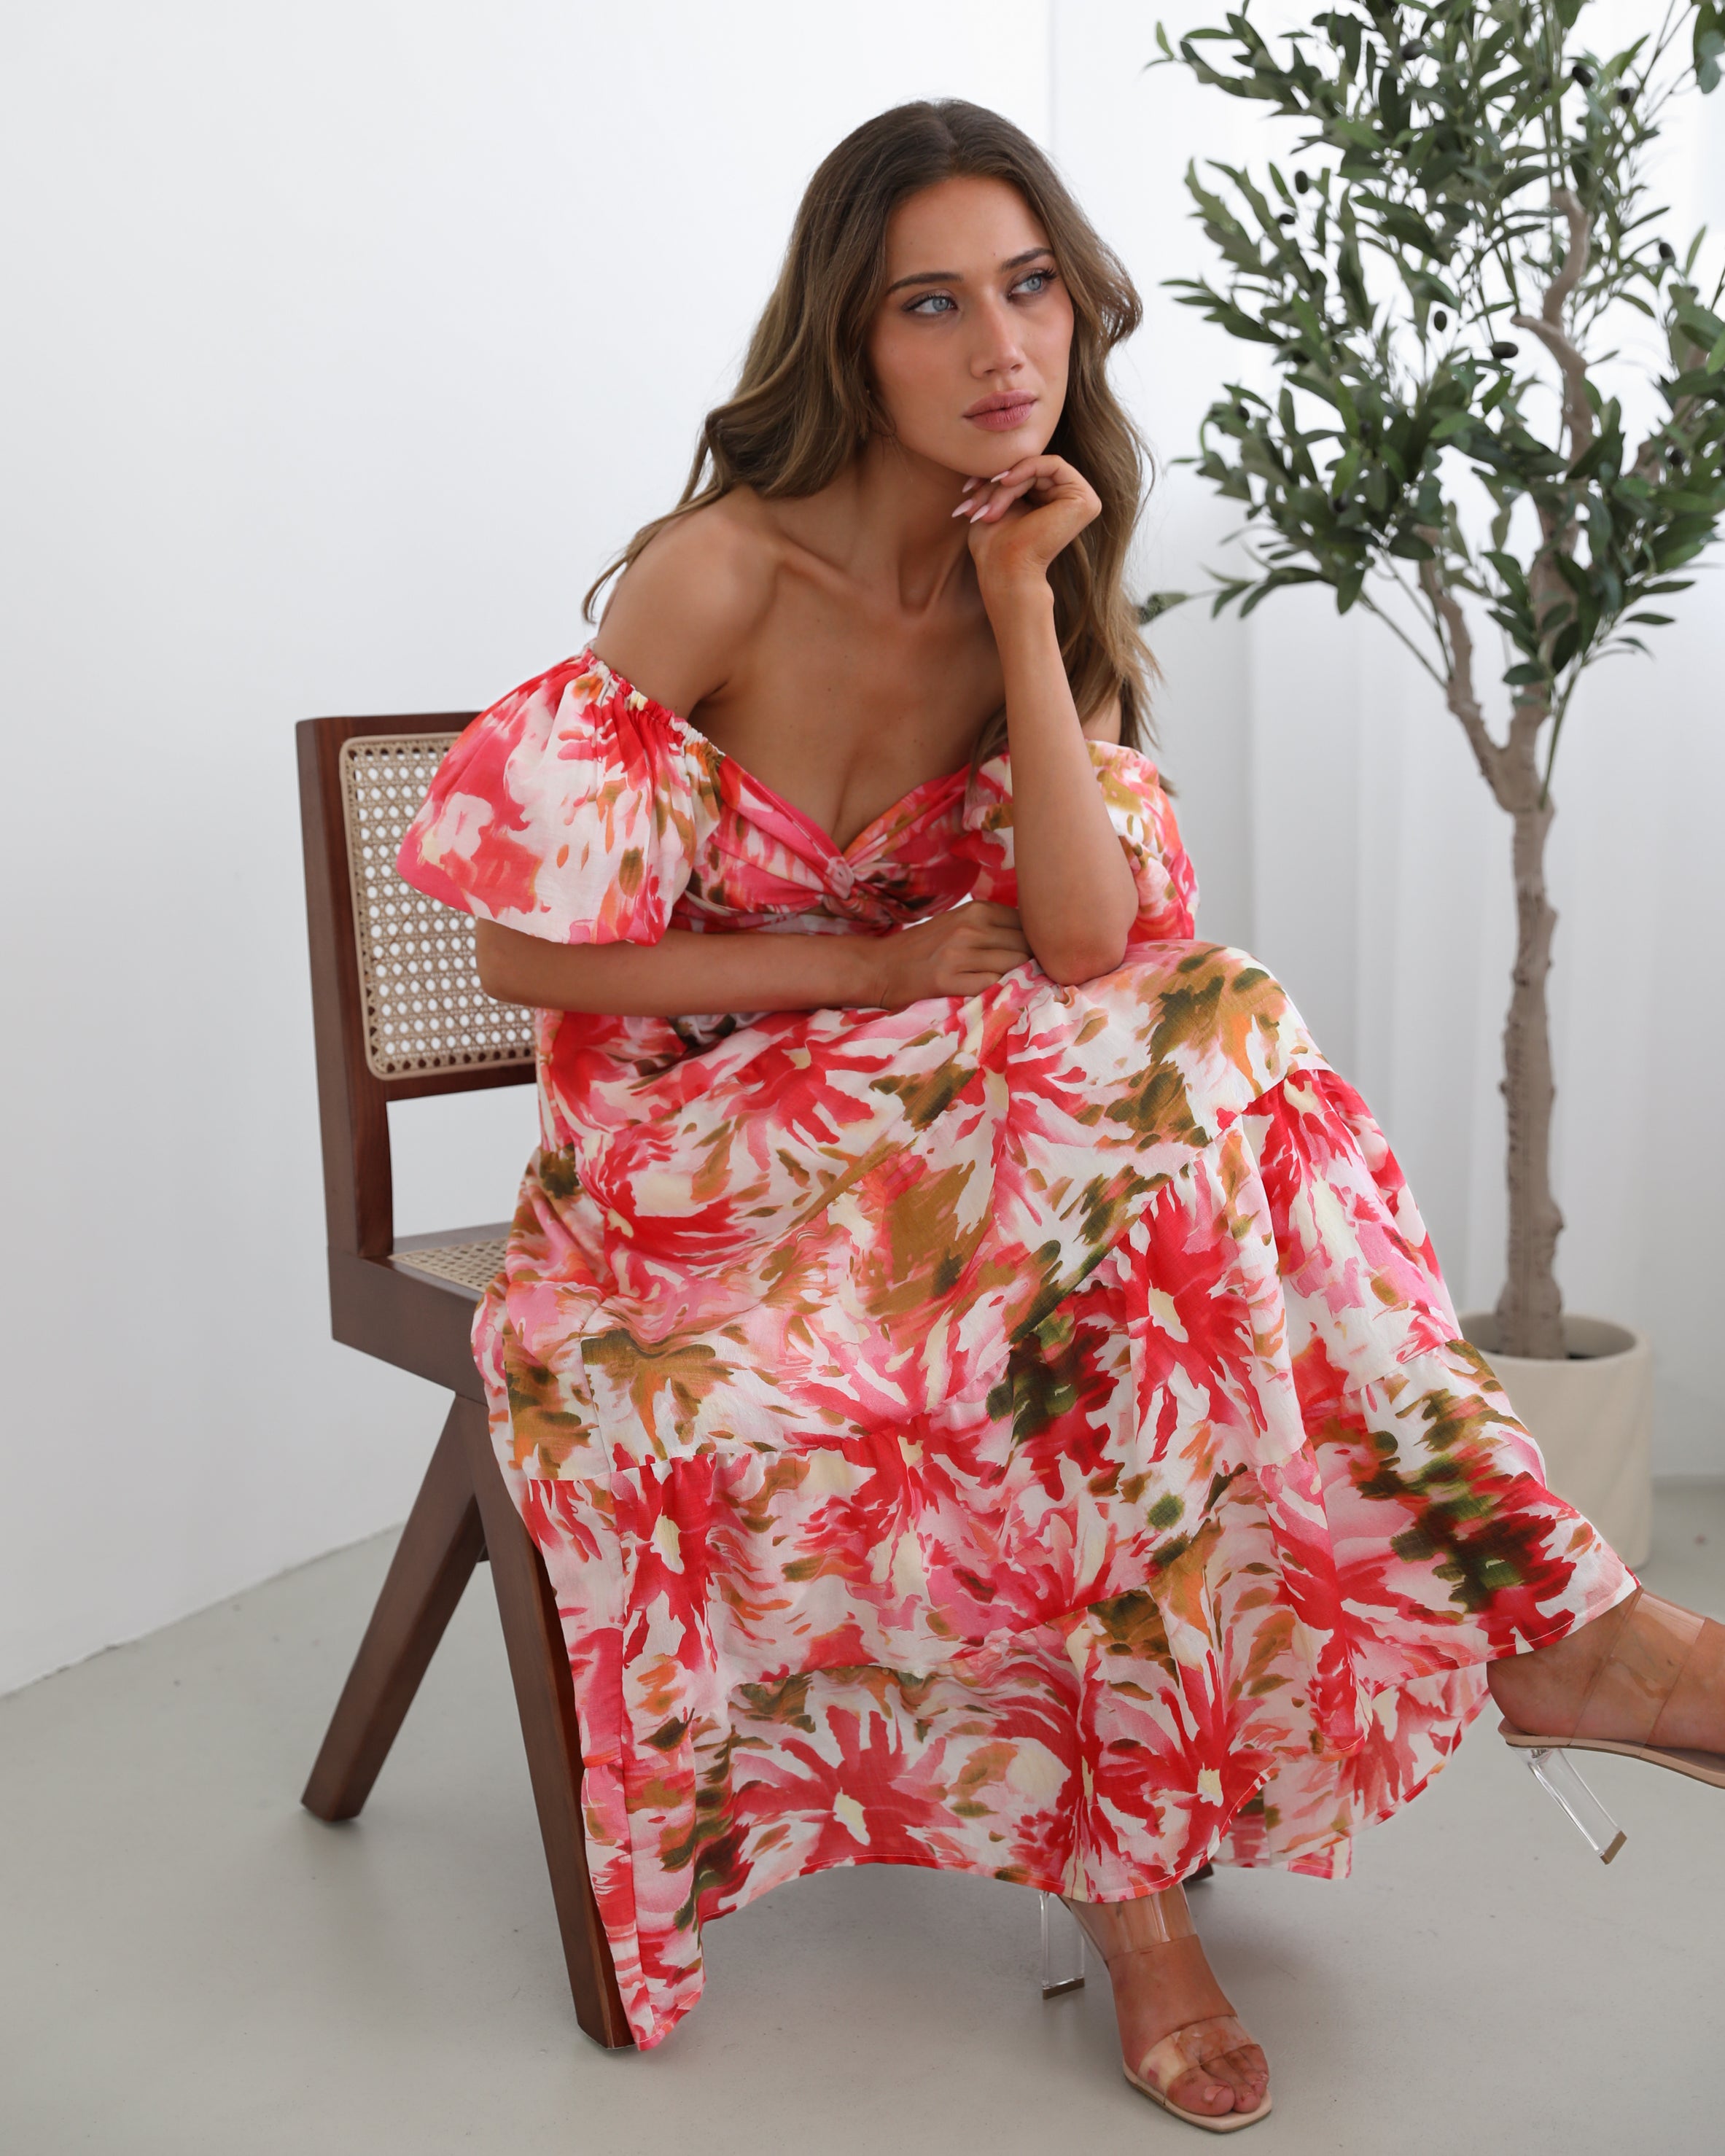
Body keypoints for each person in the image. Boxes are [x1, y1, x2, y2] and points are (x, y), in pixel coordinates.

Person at [397, 98, 1724, 2131]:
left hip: (961, 1134)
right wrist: (861, 970)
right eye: (934, 303)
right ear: (849, 337)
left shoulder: (1042, 553)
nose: (1001, 347)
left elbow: (1093, 947)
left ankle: (1155, 1883)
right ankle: (1564, 1627)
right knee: (1198, 1079)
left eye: (1030, 289)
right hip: (691, 1168)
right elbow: (538, 968)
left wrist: (1023, 607)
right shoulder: (712, 575)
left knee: (1162, 1196)